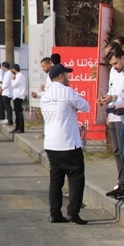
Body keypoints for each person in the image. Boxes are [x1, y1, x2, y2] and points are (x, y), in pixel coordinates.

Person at [40, 63, 90, 224]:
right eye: (67, 75)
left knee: (56, 179)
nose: (68, 77)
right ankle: (73, 212)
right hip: (68, 143)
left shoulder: (45, 95)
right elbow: (86, 106)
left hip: (51, 143)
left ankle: (55, 213)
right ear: (61, 76)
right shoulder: (67, 91)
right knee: (76, 177)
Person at [101, 44, 124, 197]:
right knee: (117, 151)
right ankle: (122, 182)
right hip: (114, 114)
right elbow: (112, 91)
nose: (114, 66)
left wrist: (115, 98)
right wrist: (108, 106)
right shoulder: (113, 70)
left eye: (111, 54)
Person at [11, 64, 27, 134]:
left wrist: (12, 79)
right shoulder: (18, 76)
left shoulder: (19, 76)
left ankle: (21, 127)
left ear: (14, 69)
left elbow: (14, 85)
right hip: (16, 96)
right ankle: (17, 127)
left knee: (19, 113)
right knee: (17, 113)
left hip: (19, 96)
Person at [0, 61, 14, 126]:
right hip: (5, 92)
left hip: (7, 92)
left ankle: (9, 120)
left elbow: (6, 83)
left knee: (7, 107)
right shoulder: (7, 73)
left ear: (4, 67)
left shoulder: (8, 73)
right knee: (6, 106)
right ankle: (7, 118)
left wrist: (1, 89)